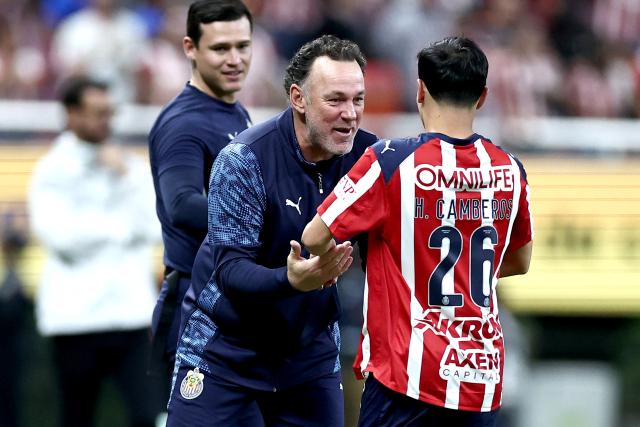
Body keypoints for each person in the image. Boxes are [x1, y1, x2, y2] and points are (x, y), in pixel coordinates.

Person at [302, 36, 534, 426]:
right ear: (482, 97)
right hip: (479, 374)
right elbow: (519, 261)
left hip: (405, 376)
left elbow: (314, 236)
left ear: (420, 90)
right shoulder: (510, 169)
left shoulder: (390, 161)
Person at [167, 35, 378, 427]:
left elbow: (386, 258)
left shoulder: (371, 160)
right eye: (335, 100)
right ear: (298, 99)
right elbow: (229, 271)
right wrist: (291, 280)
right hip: (224, 353)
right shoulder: (244, 160)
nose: (350, 114)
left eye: (358, 99)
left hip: (308, 357)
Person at [28, 77, 161, 427]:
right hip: (75, 320)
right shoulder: (51, 170)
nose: (106, 121)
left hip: (130, 315)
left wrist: (126, 180)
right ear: (71, 114)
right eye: (97, 113)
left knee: (148, 415)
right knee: (77, 417)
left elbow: (154, 226)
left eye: (109, 113)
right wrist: (121, 230)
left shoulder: (128, 168)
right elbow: (60, 236)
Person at [148, 0, 253, 382]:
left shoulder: (233, 110)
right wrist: (260, 216)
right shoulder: (184, 123)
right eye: (220, 48)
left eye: (243, 46)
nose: (235, 59)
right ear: (190, 48)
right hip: (193, 304)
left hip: (225, 300)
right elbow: (182, 205)